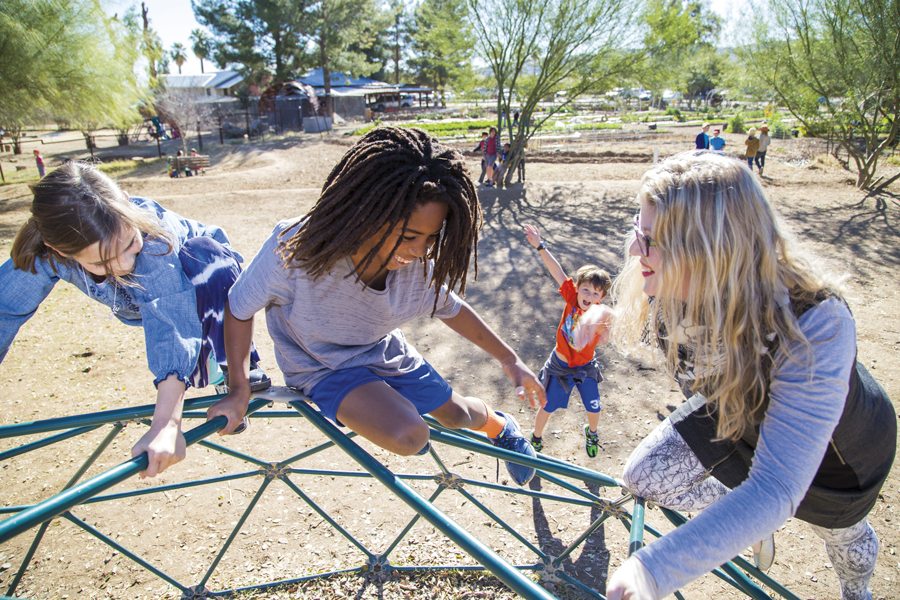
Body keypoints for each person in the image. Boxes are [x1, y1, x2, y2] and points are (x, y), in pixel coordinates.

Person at [594, 151, 895, 600]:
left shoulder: (817, 322)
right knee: (643, 477)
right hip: (736, 409)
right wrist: (609, 315)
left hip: (839, 455)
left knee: (841, 537)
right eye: (638, 232)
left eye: (650, 239)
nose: (636, 250)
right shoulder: (679, 287)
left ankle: (857, 591)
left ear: (708, 248)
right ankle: (753, 519)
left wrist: (651, 571)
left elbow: (777, 482)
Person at [211, 127, 545, 486]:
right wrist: (238, 389)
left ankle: (499, 426)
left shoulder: (416, 269)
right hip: (322, 368)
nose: (420, 250)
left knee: (454, 414)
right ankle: (395, 414)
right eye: (409, 236)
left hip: (383, 352)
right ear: (366, 212)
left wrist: (509, 359)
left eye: (431, 238)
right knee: (410, 435)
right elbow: (238, 308)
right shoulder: (295, 250)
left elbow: (452, 308)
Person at [0, 162, 271, 478]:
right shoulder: (43, 255)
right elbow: (5, 308)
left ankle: (232, 369)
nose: (125, 263)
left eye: (129, 245)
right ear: (59, 250)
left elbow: (170, 322)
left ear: (126, 204)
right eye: (103, 262)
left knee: (205, 257)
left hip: (206, 288)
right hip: (139, 304)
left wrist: (166, 424)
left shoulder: (153, 239)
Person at [522, 224, 613, 457]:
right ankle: (536, 437)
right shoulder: (572, 297)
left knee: (594, 406)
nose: (588, 297)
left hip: (585, 368)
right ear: (578, 289)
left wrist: (603, 335)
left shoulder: (601, 314)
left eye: (595, 294)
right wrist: (540, 246)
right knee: (548, 406)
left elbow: (607, 337)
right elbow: (557, 270)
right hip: (560, 367)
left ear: (601, 298)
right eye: (585, 290)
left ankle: (592, 432)